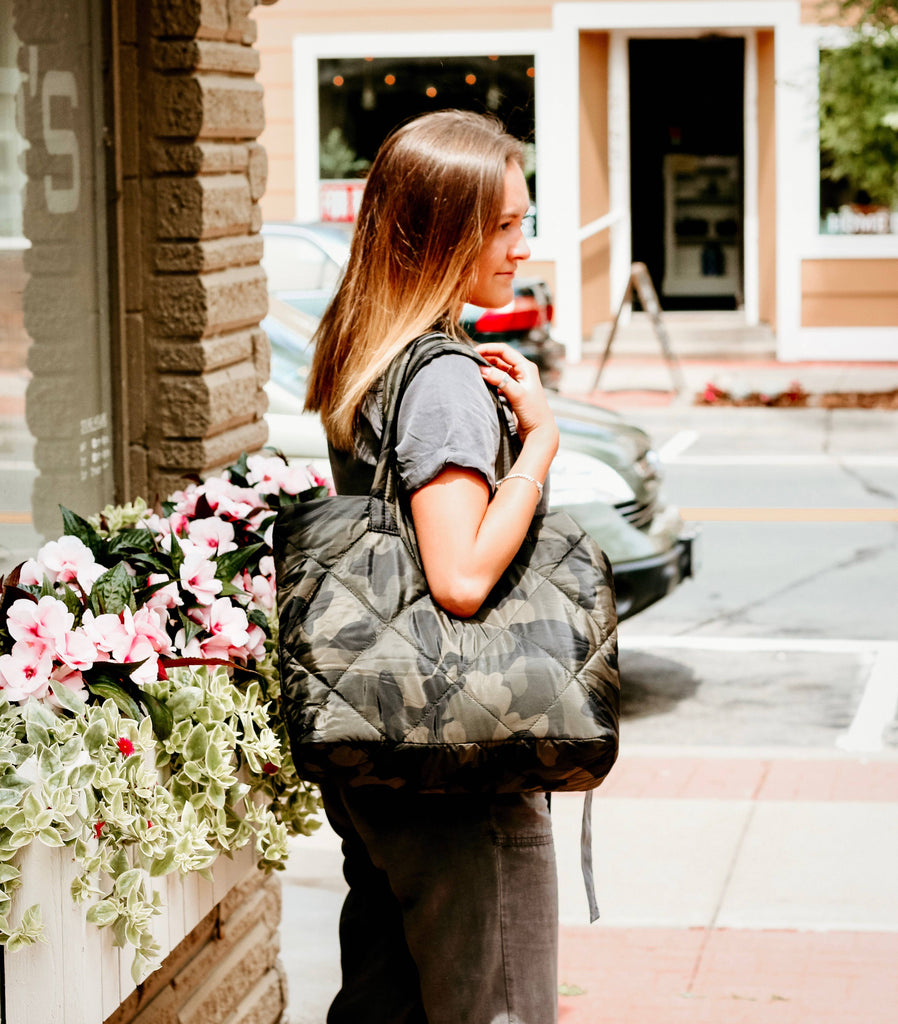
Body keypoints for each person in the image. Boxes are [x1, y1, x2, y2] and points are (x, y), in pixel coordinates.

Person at [304, 109, 561, 1024]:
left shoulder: (365, 350)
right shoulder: (445, 377)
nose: (519, 247)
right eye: (501, 226)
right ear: (439, 227)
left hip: (382, 760)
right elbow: (458, 576)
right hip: (461, 773)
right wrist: (539, 445)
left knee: (387, 999)